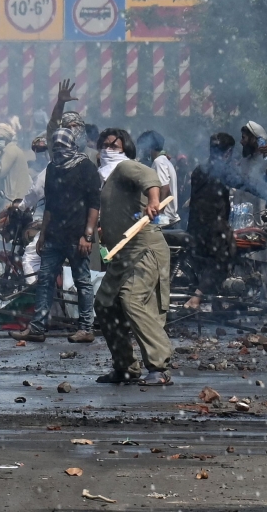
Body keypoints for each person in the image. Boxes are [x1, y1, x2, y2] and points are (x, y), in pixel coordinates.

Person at [10, 121, 100, 343]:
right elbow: (49, 204)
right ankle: (37, 328)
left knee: (82, 282)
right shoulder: (52, 168)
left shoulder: (86, 167)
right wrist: (43, 235)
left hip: (77, 235)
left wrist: (87, 235)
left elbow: (94, 204)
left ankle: (86, 328)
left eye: (62, 144)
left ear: (71, 144)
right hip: (54, 236)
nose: (59, 148)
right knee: (45, 279)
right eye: (55, 145)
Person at [95, 146, 172, 385]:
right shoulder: (107, 184)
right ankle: (125, 367)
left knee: (132, 299)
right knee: (104, 304)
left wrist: (153, 200)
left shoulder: (124, 167)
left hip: (144, 248)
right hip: (123, 254)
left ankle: (158, 367)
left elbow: (150, 177)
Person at [185, 133, 238, 310]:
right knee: (225, 257)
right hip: (214, 227)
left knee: (206, 262)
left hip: (195, 226)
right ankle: (196, 298)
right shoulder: (222, 169)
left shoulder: (200, 169)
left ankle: (217, 303)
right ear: (229, 152)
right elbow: (247, 183)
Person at [137, 130, 180, 229]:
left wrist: (157, 215)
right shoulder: (164, 161)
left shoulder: (158, 162)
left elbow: (165, 188)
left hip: (165, 221)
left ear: (149, 148)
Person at [20, 136, 49, 284]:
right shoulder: (81, 162)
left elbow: (36, 191)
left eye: (44, 150)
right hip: (80, 221)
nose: (41, 153)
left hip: (56, 223)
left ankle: (33, 297)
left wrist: (21, 206)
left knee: (30, 258)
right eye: (38, 150)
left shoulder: (52, 166)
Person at [0, 123, 31, 201]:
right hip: (13, 198)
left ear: (7, 138)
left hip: (12, 199)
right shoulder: (8, 151)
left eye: (0, 138)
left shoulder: (10, 151)